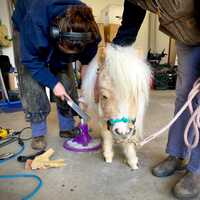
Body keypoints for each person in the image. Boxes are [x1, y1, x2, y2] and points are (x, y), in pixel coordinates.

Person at [112, 0, 200, 199]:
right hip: (186, 34)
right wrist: (113, 56)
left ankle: (197, 169)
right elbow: (132, 15)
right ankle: (177, 154)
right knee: (184, 95)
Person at [12, 0, 101, 150]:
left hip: (54, 31)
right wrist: (53, 84)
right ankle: (38, 132)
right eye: (67, 50)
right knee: (31, 80)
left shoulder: (91, 35)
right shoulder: (35, 21)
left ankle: (67, 127)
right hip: (26, 27)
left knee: (64, 76)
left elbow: (86, 65)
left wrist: (86, 95)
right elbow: (30, 60)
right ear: (56, 34)